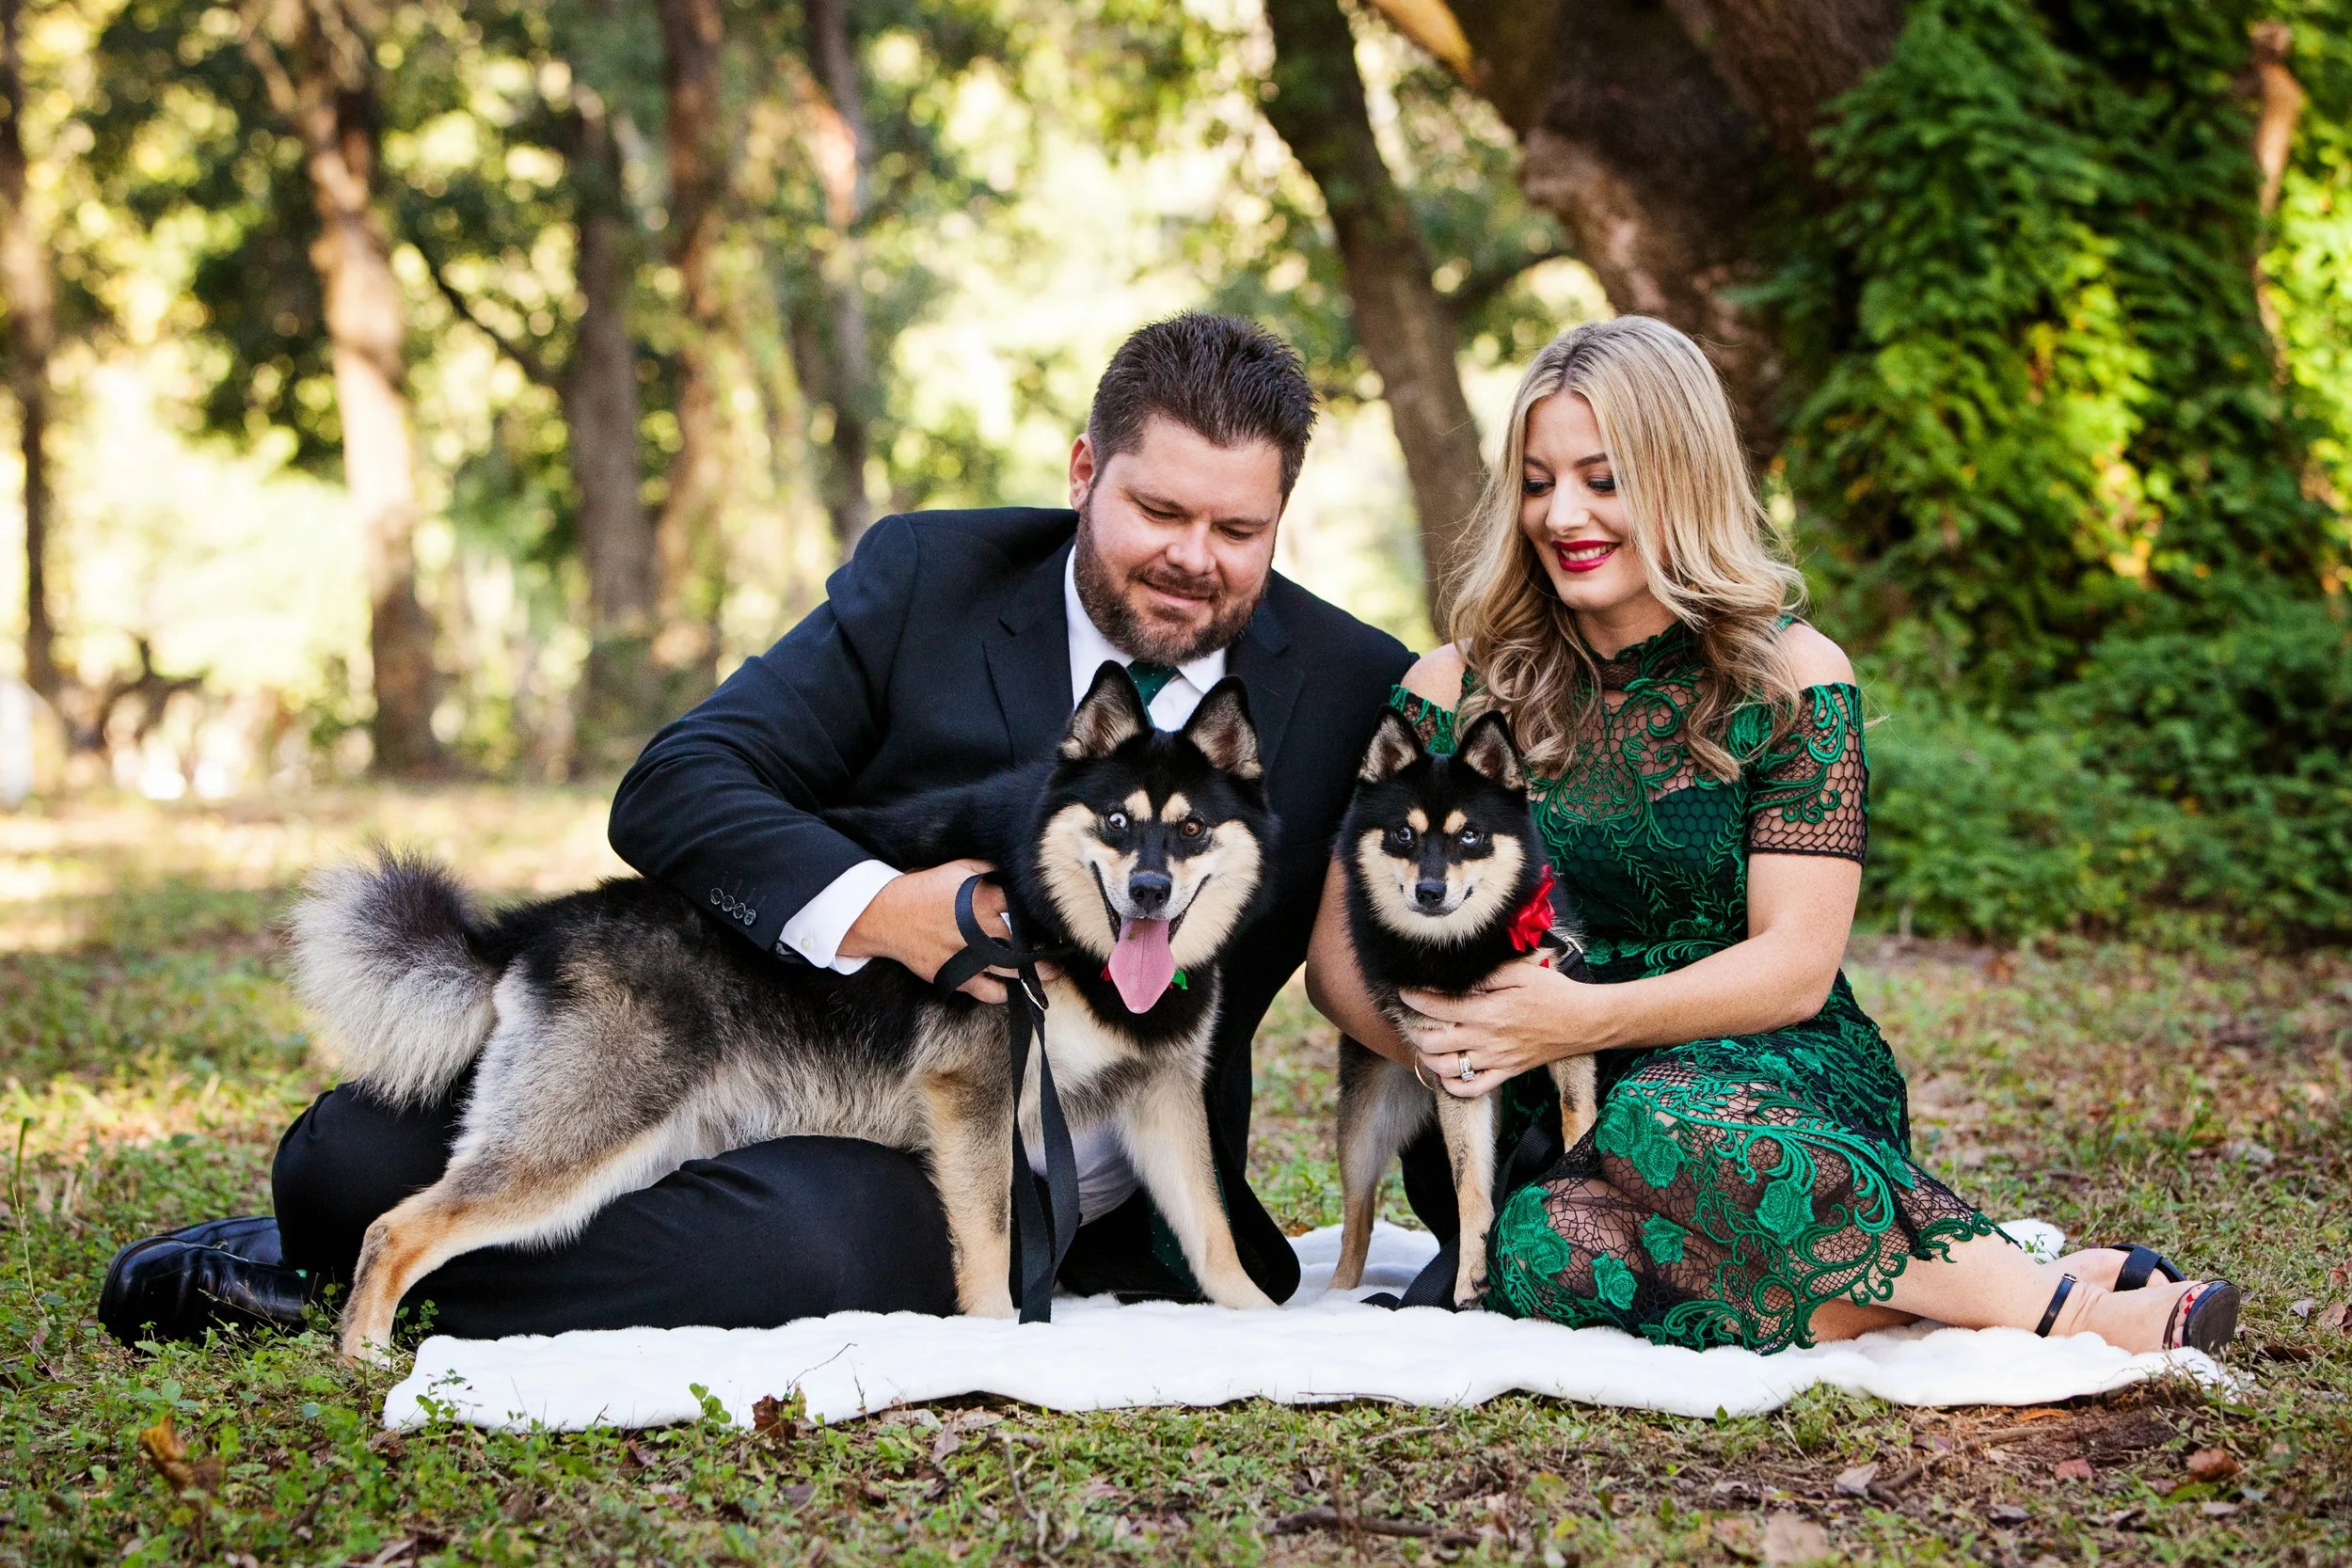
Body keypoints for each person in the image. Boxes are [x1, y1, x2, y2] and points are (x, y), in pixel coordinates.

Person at [102, 312, 1412, 1344]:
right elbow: (679, 783)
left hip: (1046, 1149)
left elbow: (1425, 915)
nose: (1195, 557)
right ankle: (390, 1232)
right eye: (1160, 512)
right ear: (1085, 472)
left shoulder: (1353, 682)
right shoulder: (926, 577)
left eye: (1239, 529)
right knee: (342, 1150)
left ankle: (372, 1288)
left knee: (809, 1253)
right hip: (784, 1030)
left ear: (1281, 519)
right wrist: (895, 911)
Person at [1306, 316, 2241, 1355]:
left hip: (1758, 1074)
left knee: (1659, 1123)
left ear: (1681, 476)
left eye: (1603, 479)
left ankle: (2069, 1314)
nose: (1562, 513)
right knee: (1534, 1247)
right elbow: (1338, 963)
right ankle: (1987, 1280)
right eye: (1536, 481)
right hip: (1525, 1099)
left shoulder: (1789, 677)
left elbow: (1794, 965)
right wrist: (1468, 1046)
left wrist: (1579, 1019)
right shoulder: (1450, 689)